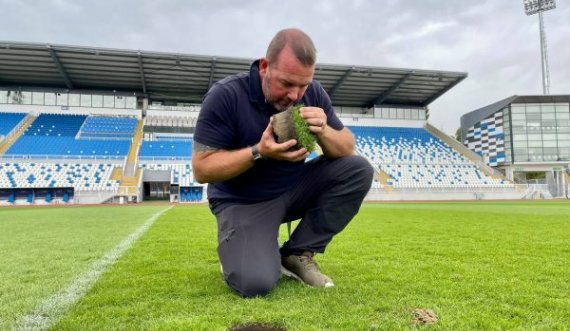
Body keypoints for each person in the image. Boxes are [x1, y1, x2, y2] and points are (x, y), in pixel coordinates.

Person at [192, 28, 373, 297]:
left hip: (293, 189)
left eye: (304, 85)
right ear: (265, 67)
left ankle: (297, 253)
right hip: (243, 200)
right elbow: (201, 169)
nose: (296, 95)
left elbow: (347, 147)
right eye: (287, 84)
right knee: (254, 283)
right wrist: (258, 152)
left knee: (358, 170)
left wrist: (324, 130)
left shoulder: (313, 93)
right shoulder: (227, 95)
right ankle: (241, 249)